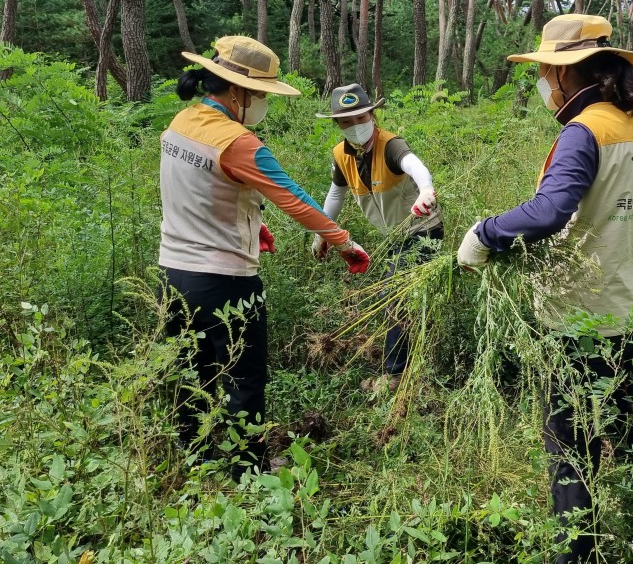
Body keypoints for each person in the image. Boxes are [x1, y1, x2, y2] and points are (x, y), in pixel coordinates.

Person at [457, 14, 633, 564]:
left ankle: (575, 552)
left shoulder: (583, 131)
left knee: (568, 441)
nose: (544, 83)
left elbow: (550, 211)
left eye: (547, 71)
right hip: (632, 307)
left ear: (569, 74)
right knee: (626, 424)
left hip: (578, 316)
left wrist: (486, 233)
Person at [159, 37, 370, 477]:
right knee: (244, 377)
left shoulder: (182, 122)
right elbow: (293, 197)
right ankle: (249, 472)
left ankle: (193, 457)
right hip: (226, 281)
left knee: (190, 373)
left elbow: (200, 191)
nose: (262, 105)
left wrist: (256, 225)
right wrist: (344, 242)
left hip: (174, 273)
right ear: (237, 91)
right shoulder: (237, 141)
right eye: (261, 95)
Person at [311, 83, 443, 379]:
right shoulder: (341, 155)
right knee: (410, 295)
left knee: (392, 294)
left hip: (421, 229)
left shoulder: (391, 144)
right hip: (393, 236)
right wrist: (322, 233)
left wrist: (426, 191)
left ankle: (395, 374)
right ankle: (423, 354)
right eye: (347, 121)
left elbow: (416, 167)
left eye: (361, 118)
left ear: (372, 115)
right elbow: (336, 195)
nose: (355, 126)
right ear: (337, 124)